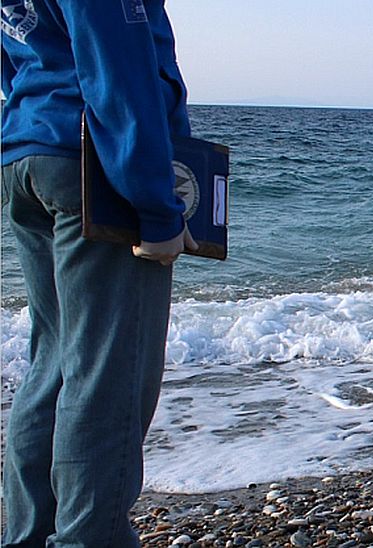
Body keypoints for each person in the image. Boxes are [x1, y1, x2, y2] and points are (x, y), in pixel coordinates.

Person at [1, 1, 196, 545]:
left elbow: (17, 58)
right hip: (92, 163)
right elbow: (118, 64)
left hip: (29, 146)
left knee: (55, 360)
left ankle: (30, 535)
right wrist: (156, 204)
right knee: (108, 375)